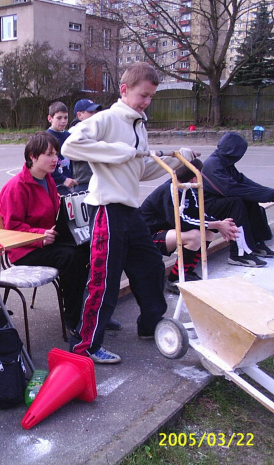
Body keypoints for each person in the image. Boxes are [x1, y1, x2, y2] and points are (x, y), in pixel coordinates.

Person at [61, 62, 197, 364]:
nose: (146, 102)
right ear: (124, 90)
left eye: (151, 97)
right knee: (103, 280)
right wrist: (119, 152)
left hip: (129, 210)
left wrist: (179, 160)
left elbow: (140, 170)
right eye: (142, 95)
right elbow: (71, 145)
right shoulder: (108, 119)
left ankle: (151, 326)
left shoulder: (139, 125)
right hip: (107, 209)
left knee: (150, 266)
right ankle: (85, 346)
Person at [0, 132, 90, 336]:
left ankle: (88, 312)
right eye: (49, 154)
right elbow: (11, 229)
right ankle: (73, 319)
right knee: (71, 258)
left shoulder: (47, 179)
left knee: (88, 248)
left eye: (56, 154)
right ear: (32, 156)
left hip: (46, 241)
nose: (55, 159)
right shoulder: (16, 187)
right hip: (23, 250)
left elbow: (55, 214)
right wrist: (40, 236)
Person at [139, 159, 239, 294]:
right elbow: (180, 222)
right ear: (193, 178)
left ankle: (187, 272)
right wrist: (217, 224)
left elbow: (198, 213)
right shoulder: (170, 189)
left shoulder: (187, 189)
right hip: (146, 236)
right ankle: (174, 279)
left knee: (209, 232)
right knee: (194, 236)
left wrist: (220, 224)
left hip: (165, 232)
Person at [201, 132, 274, 267]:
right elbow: (229, 189)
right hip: (205, 206)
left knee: (249, 199)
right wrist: (269, 195)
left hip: (216, 202)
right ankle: (239, 254)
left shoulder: (224, 163)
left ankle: (256, 243)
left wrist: (269, 193)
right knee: (236, 202)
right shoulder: (213, 165)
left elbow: (243, 182)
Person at [69, 99, 103, 193]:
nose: (95, 115)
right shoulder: (74, 132)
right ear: (80, 115)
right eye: (91, 112)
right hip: (83, 183)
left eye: (96, 112)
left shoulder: (96, 130)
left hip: (97, 180)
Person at [46, 102, 77, 195]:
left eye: (65, 117)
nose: (63, 121)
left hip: (70, 184)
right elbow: (46, 164)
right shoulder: (47, 137)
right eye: (59, 118)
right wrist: (63, 179)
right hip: (55, 185)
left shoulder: (69, 136)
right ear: (50, 118)